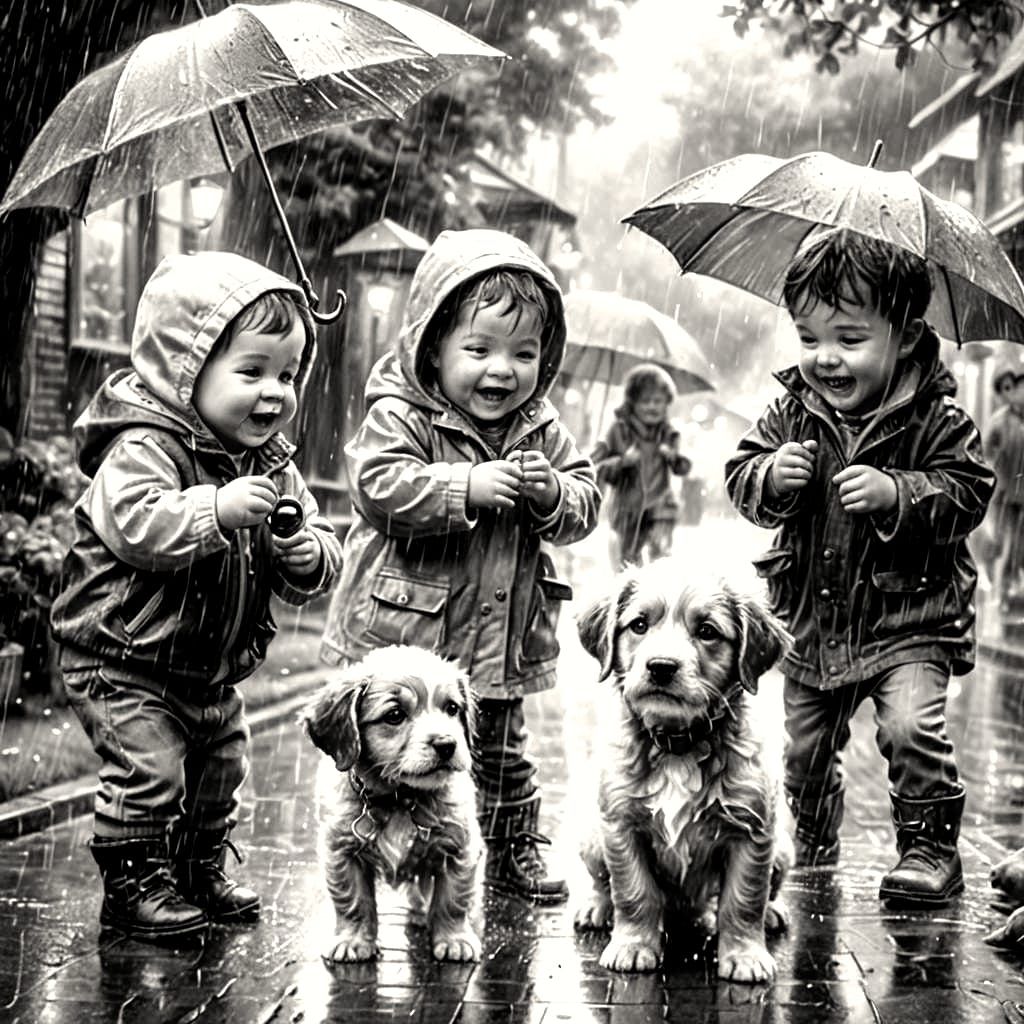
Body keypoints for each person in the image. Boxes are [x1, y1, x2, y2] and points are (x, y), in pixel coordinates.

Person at [50, 251, 343, 944]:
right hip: (124, 656)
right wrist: (215, 508)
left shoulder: (271, 462)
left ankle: (195, 866)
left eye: (287, 375)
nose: (274, 393)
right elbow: (138, 524)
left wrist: (308, 557)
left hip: (206, 665)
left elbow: (315, 536)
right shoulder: (143, 447)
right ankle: (133, 885)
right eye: (252, 371)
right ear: (186, 370)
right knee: (149, 770)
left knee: (222, 766)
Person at [320, 228, 600, 904]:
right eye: (479, 350)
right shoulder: (401, 414)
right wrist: (461, 487)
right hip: (408, 632)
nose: (502, 370)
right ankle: (372, 839)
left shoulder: (542, 430)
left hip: (498, 636)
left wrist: (552, 495)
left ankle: (512, 844)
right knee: (382, 752)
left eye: (524, 353)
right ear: (433, 347)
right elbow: (378, 486)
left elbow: (586, 501)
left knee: (501, 752)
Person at [725, 229, 994, 906]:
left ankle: (929, 850)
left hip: (911, 617)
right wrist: (771, 476)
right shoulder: (791, 412)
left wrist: (898, 493)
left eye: (849, 338)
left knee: (910, 729)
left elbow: (969, 492)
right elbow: (740, 475)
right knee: (803, 751)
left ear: (906, 337)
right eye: (809, 338)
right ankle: (809, 840)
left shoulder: (937, 418)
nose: (826, 358)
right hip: (813, 620)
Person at [591, 362, 692, 567]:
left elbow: (683, 468)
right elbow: (597, 468)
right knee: (628, 564)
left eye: (658, 401)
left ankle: (658, 584)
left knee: (661, 562)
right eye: (645, 401)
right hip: (627, 508)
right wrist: (622, 462)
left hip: (660, 507)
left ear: (666, 403)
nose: (652, 407)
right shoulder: (618, 431)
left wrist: (672, 456)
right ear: (633, 403)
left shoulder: (669, 433)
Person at [983, 356, 1024, 605]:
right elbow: (985, 456)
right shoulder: (999, 423)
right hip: (1004, 494)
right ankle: (1002, 589)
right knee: (1003, 541)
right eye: (1005, 389)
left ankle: (1012, 587)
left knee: (1018, 544)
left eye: (1014, 387)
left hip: (1022, 495)